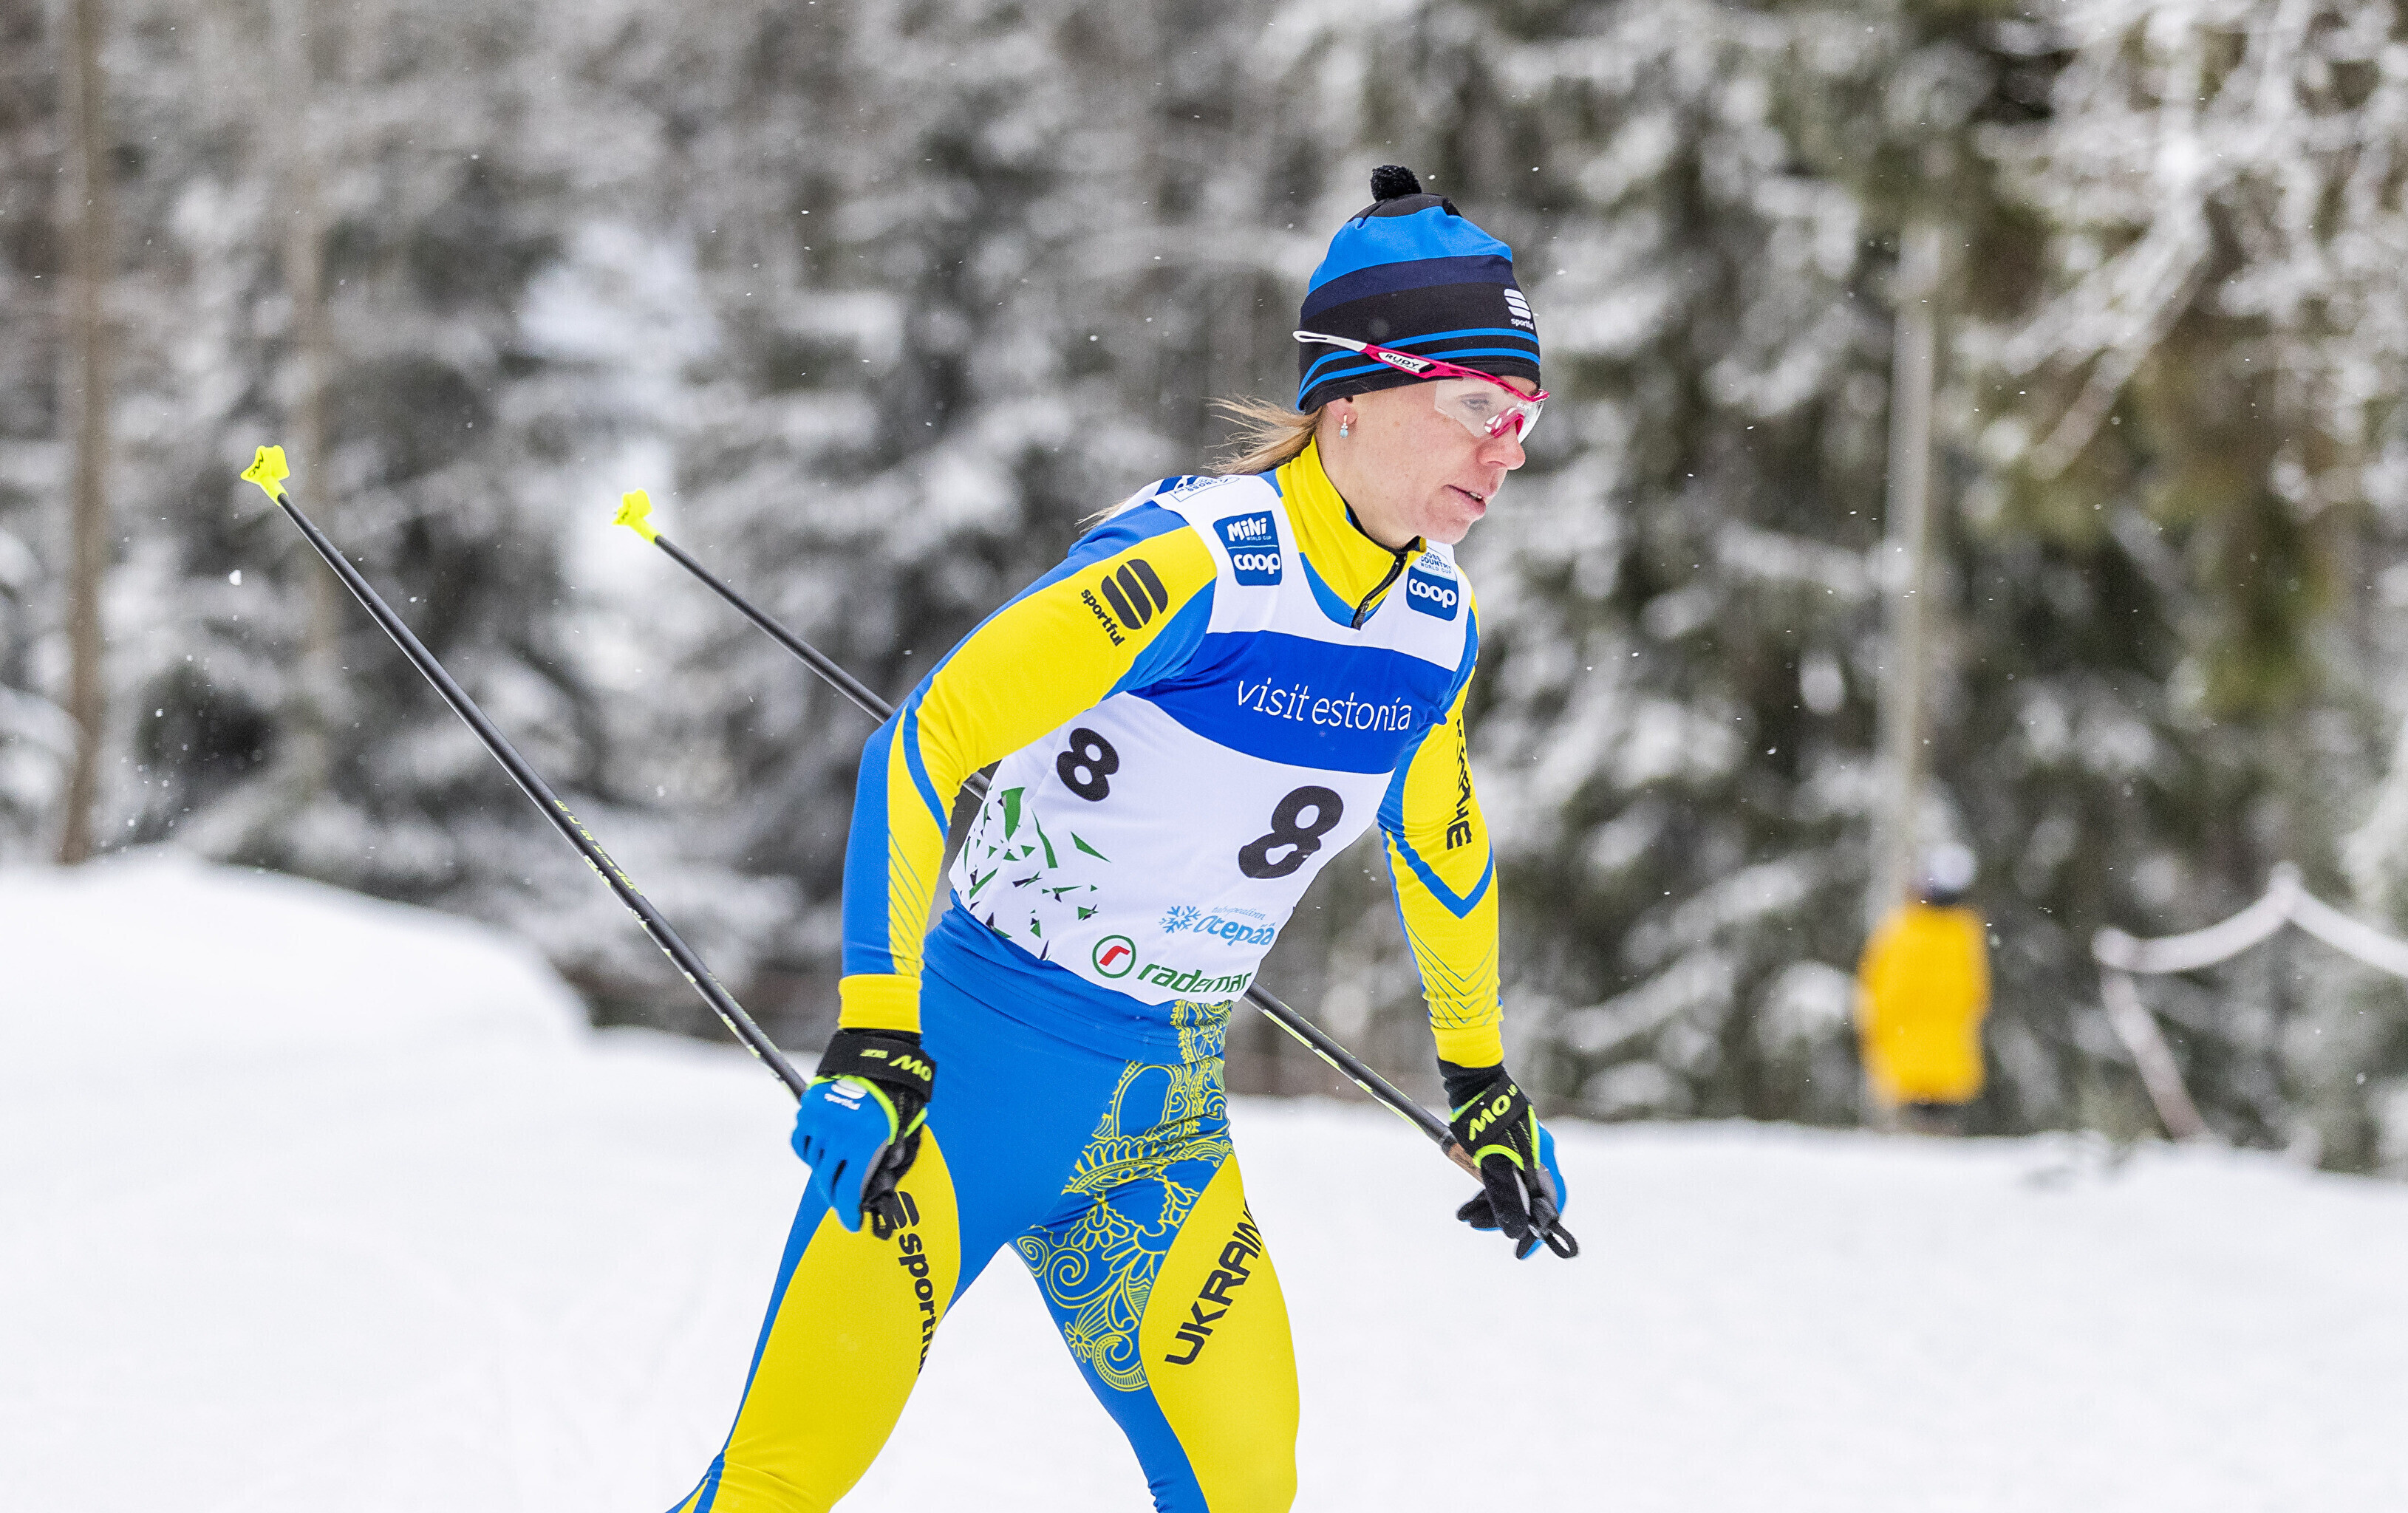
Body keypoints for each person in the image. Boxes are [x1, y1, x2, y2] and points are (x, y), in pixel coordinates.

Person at [666, 165, 1572, 1513]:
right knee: (777, 1484)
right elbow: (924, 739)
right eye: (1475, 407)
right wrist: (873, 1031)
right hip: (962, 1087)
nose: (1506, 449)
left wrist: (1480, 1081)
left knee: (1242, 1484)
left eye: (1523, 416)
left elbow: (1440, 846)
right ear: (1351, 393)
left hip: (1161, 1122)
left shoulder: (1431, 622)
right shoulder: (1194, 563)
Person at [1855, 843, 1991, 1135]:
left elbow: (1881, 988)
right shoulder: (1966, 935)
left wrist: (1875, 1032)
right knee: (1938, 1123)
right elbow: (1976, 994)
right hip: (1948, 1059)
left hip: (1906, 1057)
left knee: (1914, 1126)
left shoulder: (1903, 930)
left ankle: (1919, 1129)